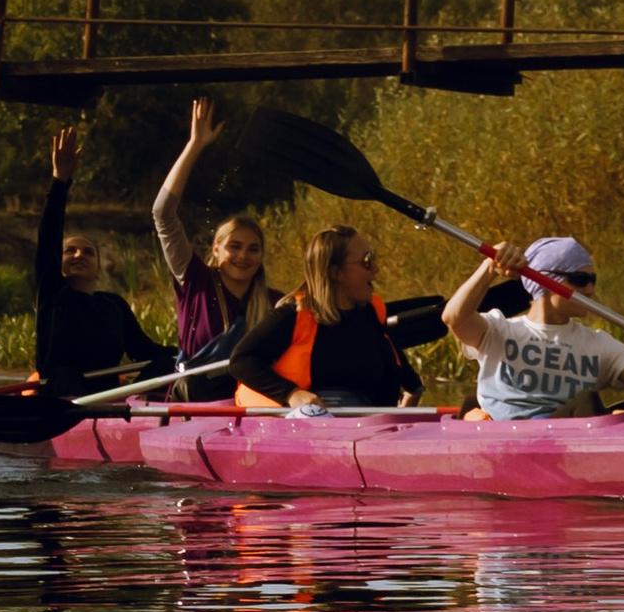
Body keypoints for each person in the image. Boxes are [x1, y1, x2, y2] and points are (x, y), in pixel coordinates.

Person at [442, 233, 624, 418]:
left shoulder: (600, 345)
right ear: (544, 279)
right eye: (579, 279)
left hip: (566, 436)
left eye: (593, 281)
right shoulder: (499, 330)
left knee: (617, 407)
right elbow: (454, 318)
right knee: (588, 402)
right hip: (506, 439)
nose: (590, 290)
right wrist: (490, 268)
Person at [34, 128, 178, 405]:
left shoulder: (113, 306)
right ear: (59, 262)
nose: (79, 255)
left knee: (167, 363)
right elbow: (48, 238)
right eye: (70, 251)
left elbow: (145, 350)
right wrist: (60, 181)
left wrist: (189, 355)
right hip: (64, 397)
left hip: (112, 400)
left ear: (98, 267)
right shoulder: (52, 295)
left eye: (88, 252)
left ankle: (140, 411)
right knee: (65, 374)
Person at [229, 223, 422, 413]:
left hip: (367, 425)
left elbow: (412, 384)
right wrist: (291, 394)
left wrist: (405, 412)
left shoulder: (371, 314)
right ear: (335, 272)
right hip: (314, 420)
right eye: (366, 261)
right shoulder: (293, 315)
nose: (375, 269)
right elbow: (241, 360)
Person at [151, 98, 276, 363]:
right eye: (235, 246)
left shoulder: (275, 303)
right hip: (197, 398)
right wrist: (194, 146)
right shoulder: (195, 280)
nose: (244, 255)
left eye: (253, 249)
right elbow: (163, 213)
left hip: (250, 399)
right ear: (216, 249)